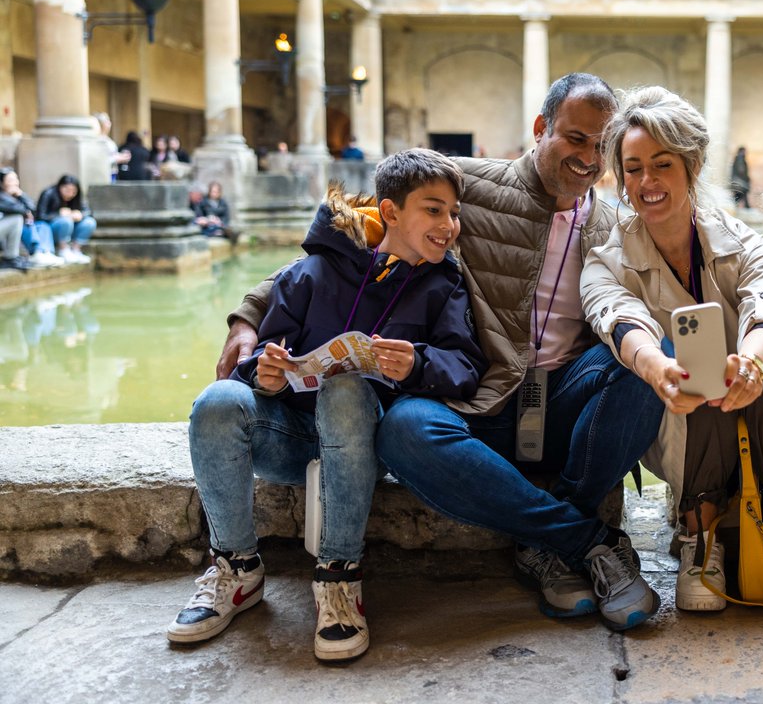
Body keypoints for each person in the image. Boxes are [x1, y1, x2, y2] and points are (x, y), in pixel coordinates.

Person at [215, 73, 665, 632]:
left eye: (603, 146)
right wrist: (250, 313)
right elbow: (350, 235)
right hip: (484, 406)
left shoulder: (616, 226)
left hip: (565, 398)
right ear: (540, 128)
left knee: (650, 358)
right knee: (404, 427)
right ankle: (583, 542)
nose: (588, 157)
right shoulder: (466, 186)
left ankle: (549, 541)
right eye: (575, 138)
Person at [168, 149, 488, 661]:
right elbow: (264, 357)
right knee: (217, 400)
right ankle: (235, 568)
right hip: (295, 439)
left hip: (368, 449)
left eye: (454, 212)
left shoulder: (443, 285)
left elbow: (466, 368)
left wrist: (419, 363)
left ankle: (339, 577)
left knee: (345, 388)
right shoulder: (310, 273)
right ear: (389, 212)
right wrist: (266, 374)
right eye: (434, 210)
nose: (450, 225)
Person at [580, 87, 763, 613]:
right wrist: (657, 369)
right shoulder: (606, 260)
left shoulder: (748, 245)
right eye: (632, 168)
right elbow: (617, 319)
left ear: (691, 165)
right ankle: (700, 537)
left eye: (661, 164)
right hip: (679, 417)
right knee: (694, 378)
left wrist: (754, 364)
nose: (646, 182)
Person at [0, 169, 64, 268]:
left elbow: (34, 210)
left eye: (16, 179)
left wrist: (21, 195)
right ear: (2, 183)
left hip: (14, 230)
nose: (15, 183)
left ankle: (46, 252)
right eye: (10, 180)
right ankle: (35, 253)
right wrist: (25, 212)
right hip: (7, 235)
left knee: (42, 225)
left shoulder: (16, 195)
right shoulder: (2, 196)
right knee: (17, 219)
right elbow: (20, 210)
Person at [35, 175, 96, 264]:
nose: (70, 194)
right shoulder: (48, 193)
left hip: (72, 229)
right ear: (60, 186)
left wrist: (80, 214)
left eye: (73, 191)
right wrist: (58, 214)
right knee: (66, 221)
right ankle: (63, 249)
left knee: (90, 222)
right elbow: (40, 216)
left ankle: (76, 250)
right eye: (67, 190)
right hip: (52, 230)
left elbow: (88, 212)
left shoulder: (77, 197)